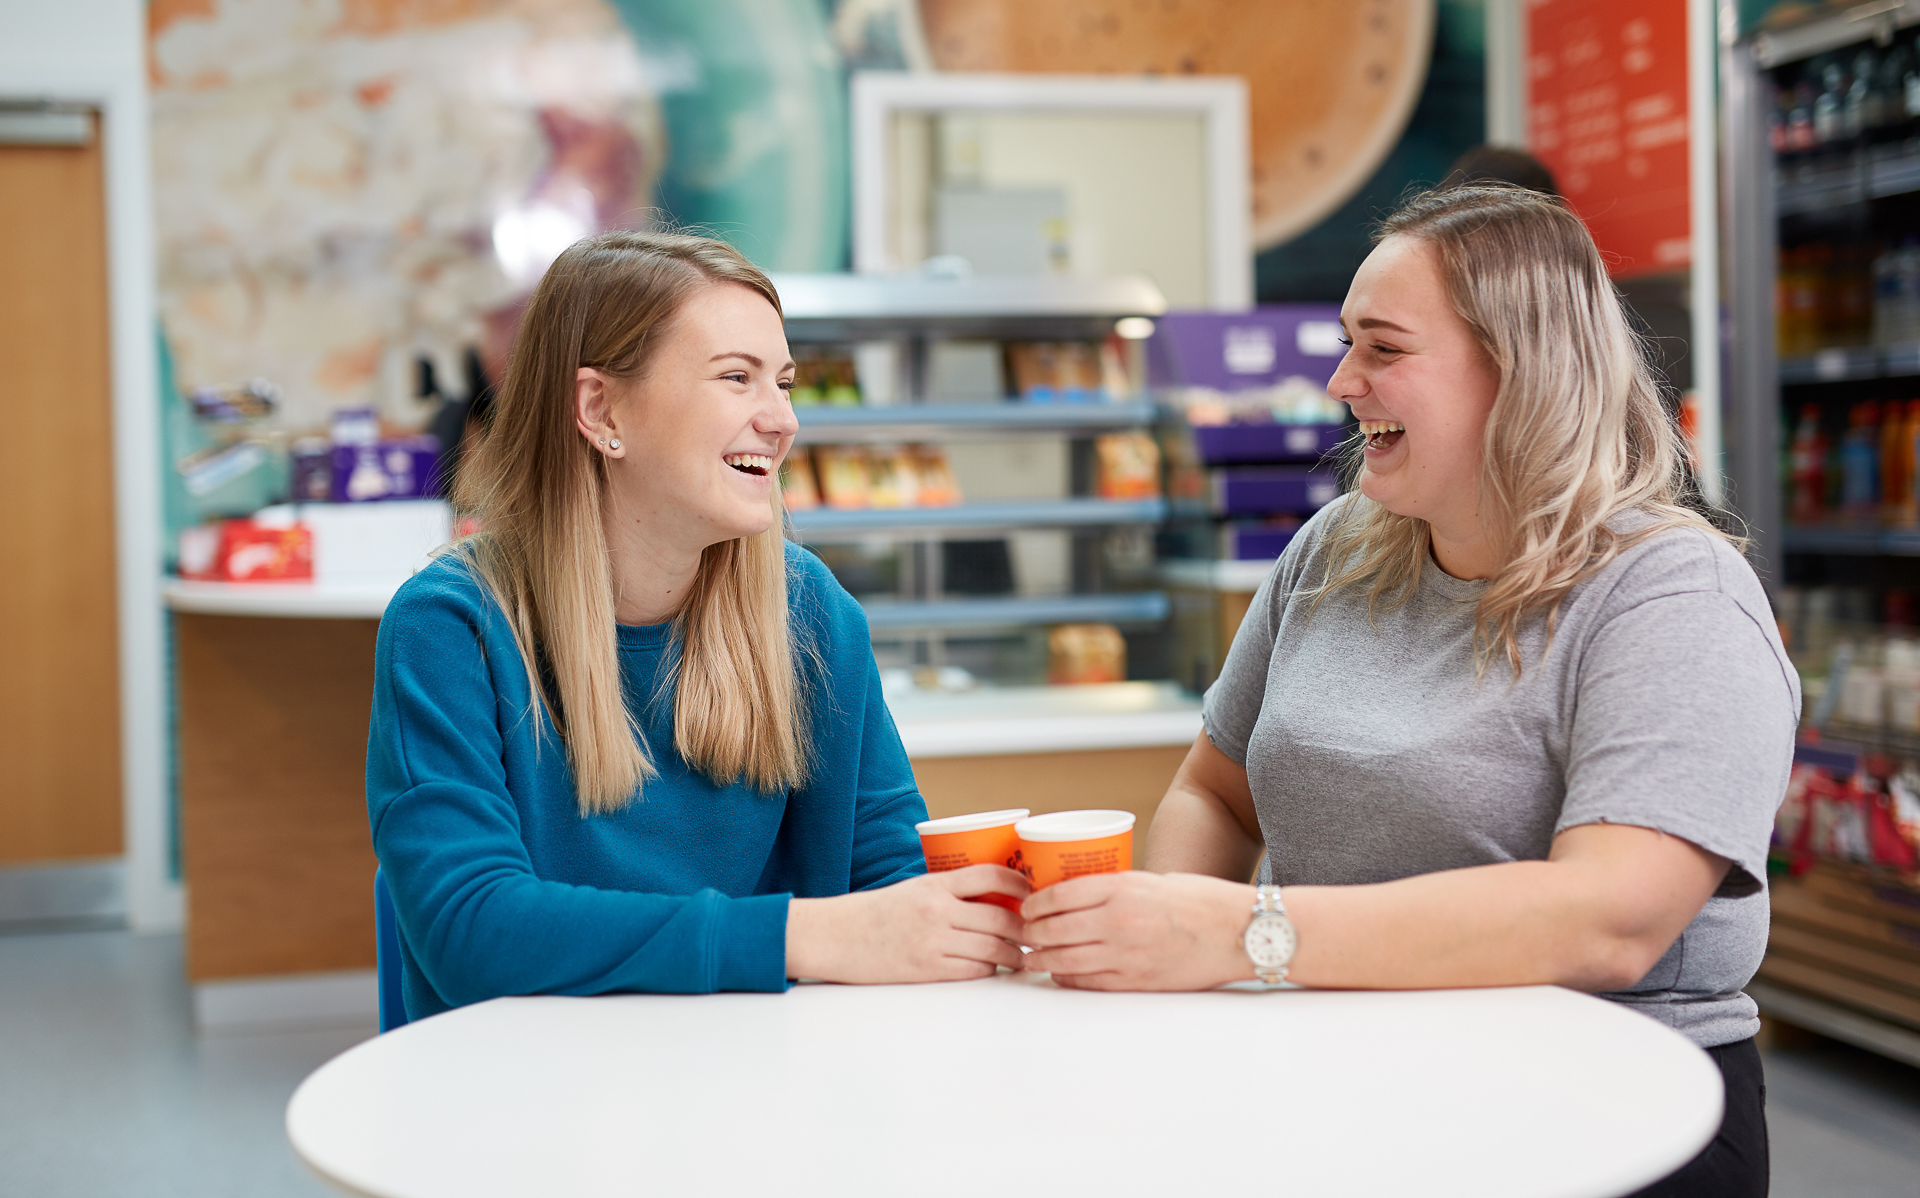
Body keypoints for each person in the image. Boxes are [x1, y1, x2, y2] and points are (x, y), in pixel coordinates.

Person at [1020, 185, 1793, 1197]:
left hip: (1611, 1104)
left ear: (1519, 373)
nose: (1342, 379)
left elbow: (1610, 917)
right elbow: (1215, 788)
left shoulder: (1672, 596)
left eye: (1382, 348)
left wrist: (1244, 936)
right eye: (1347, 343)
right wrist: (1179, 963)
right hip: (1335, 1083)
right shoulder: (1335, 548)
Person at [367, 232, 1027, 1022]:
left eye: (784, 383)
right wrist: (799, 936)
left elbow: (886, 880)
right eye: (737, 379)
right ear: (599, 408)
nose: (781, 421)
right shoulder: (451, 628)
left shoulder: (809, 612)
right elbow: (471, 930)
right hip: (529, 1107)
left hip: (756, 1096)